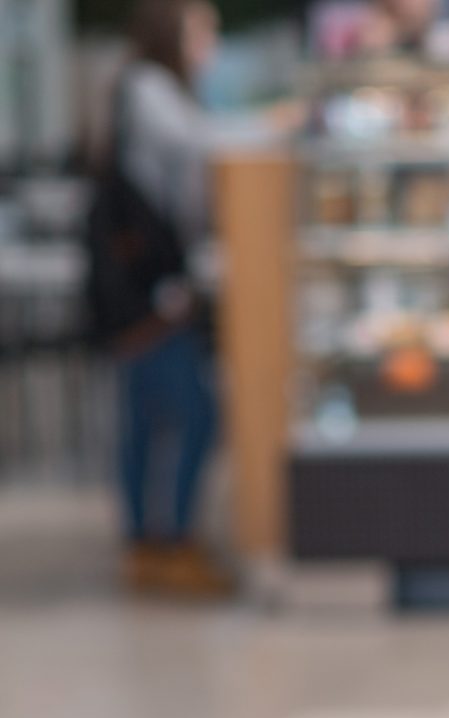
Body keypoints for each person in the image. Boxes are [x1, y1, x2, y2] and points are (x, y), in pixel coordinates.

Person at [85, 0, 228, 597]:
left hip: (142, 288)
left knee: (146, 421)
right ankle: (168, 543)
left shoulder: (138, 89)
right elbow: (199, 151)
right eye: (204, 30)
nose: (212, 43)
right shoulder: (150, 90)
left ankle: (149, 544)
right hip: (151, 290)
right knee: (192, 414)